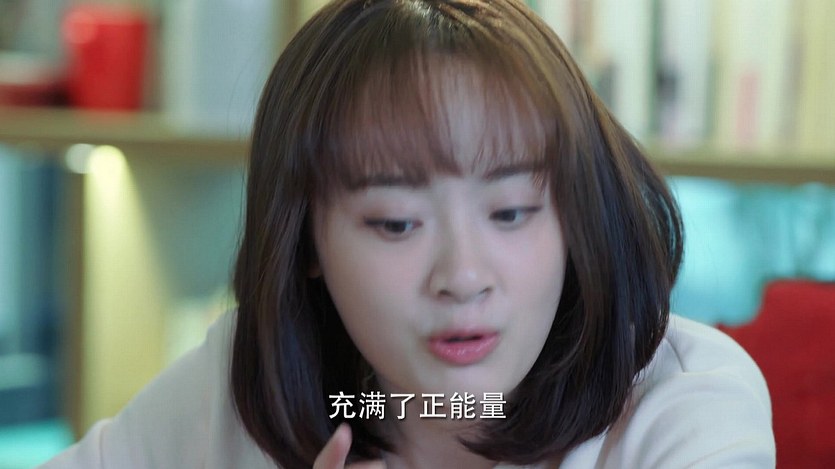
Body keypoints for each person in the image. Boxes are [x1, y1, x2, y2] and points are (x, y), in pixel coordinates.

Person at [41, 0, 775, 468]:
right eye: (396, 223)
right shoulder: (247, 381)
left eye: (510, 212)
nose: (464, 276)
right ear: (306, 243)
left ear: (574, 214)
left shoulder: (682, 402)